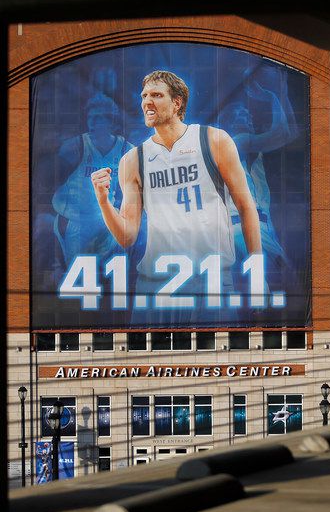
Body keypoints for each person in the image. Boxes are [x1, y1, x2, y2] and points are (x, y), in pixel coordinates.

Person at [90, 70, 263, 325]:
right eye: (144, 96)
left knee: (215, 362)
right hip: (155, 286)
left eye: (156, 95)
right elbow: (127, 236)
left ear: (177, 102)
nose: (147, 101)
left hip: (211, 282)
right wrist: (104, 202)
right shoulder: (133, 160)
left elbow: (246, 206)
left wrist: (257, 274)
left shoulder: (213, 140)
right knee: (144, 365)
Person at [217, 65, 299, 280]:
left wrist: (283, 90)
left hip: (259, 227)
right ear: (227, 124)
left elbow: (291, 132)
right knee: (284, 283)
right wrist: (274, 96)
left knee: (286, 285)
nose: (249, 119)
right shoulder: (236, 143)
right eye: (241, 116)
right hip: (242, 230)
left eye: (248, 116)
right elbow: (282, 132)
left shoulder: (251, 147)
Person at [51, 91, 133, 264]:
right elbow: (49, 181)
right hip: (76, 220)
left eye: (98, 118)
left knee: (104, 273)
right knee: (77, 272)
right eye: (90, 117)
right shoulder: (75, 146)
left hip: (105, 220)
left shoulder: (127, 149)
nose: (92, 123)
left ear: (111, 121)